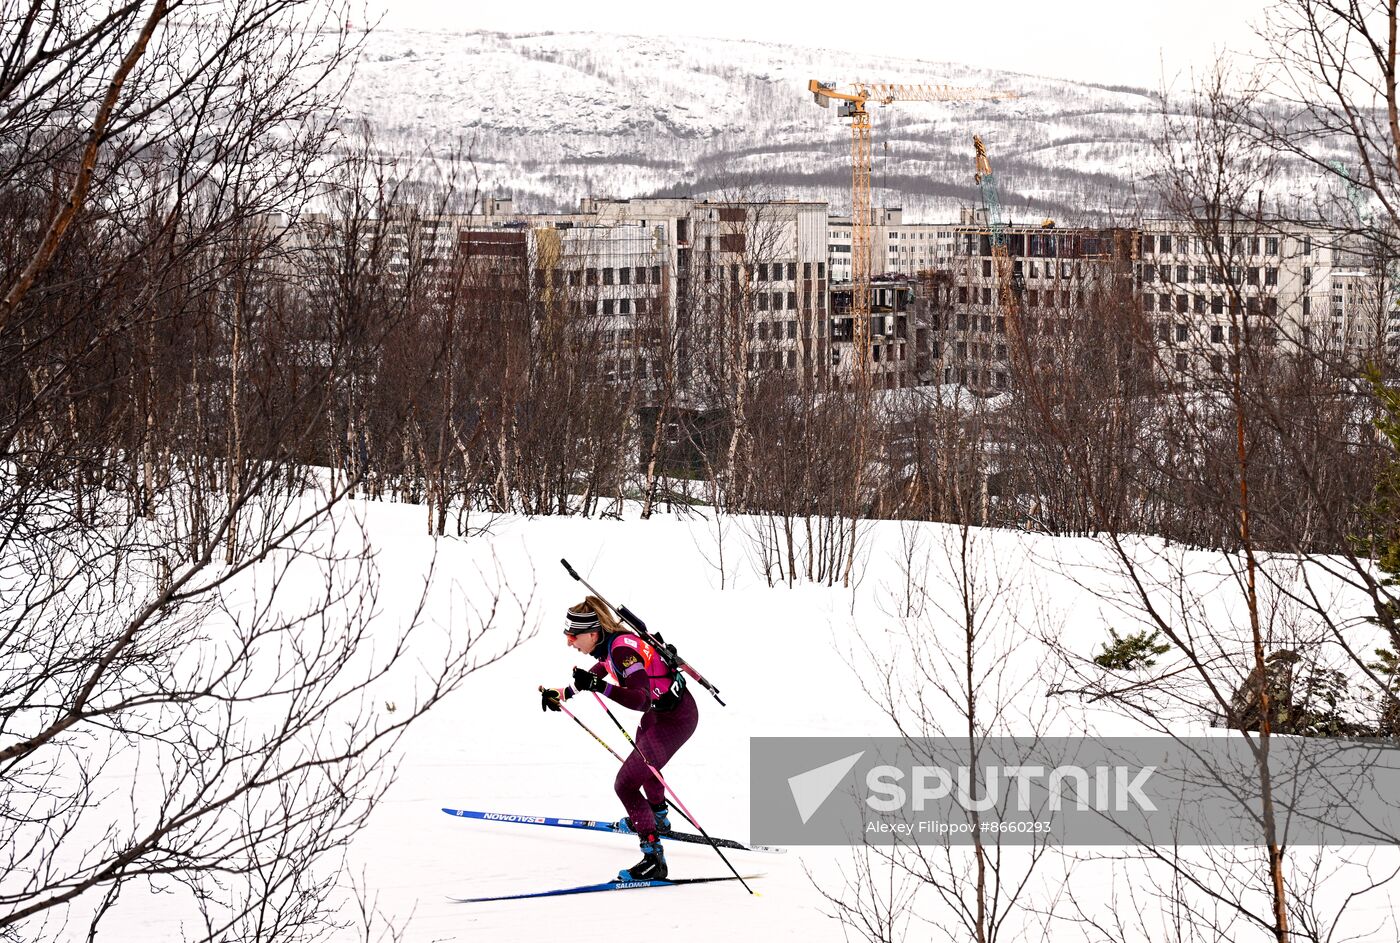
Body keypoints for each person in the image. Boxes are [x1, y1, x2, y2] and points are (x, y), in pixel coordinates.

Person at [539, 595, 698, 881]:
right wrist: (564, 693)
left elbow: (640, 700)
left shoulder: (623, 651)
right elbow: (602, 670)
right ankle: (658, 819)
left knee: (625, 784)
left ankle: (654, 859)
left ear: (592, 632)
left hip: (676, 719)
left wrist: (600, 687)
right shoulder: (610, 646)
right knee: (645, 768)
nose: (569, 642)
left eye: (573, 636)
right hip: (659, 716)